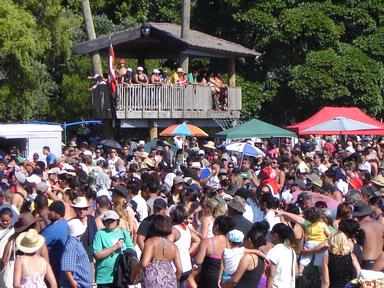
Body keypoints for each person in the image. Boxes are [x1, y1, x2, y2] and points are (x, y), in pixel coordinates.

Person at [131, 214, 182, 287]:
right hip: (170, 280)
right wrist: (173, 279)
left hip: (154, 280)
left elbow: (144, 263)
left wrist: (135, 270)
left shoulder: (151, 242)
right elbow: (180, 270)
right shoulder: (173, 246)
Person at [93, 210, 134, 287]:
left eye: (112, 220)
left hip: (121, 275)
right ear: (104, 222)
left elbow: (131, 249)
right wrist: (114, 248)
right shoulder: (99, 234)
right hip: (104, 277)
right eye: (107, 220)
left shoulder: (122, 231)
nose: (110, 222)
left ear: (117, 221)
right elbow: (97, 255)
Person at [222, 222, 269, 288]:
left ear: (249, 241)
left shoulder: (248, 258)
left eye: (246, 240)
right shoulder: (261, 258)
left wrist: (222, 286)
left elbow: (234, 281)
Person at [193, 215, 235, 288]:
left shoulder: (207, 242)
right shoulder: (230, 245)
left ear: (216, 226)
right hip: (221, 280)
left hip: (206, 280)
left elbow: (198, 261)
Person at [41, 201, 68, 282]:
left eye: (51, 211)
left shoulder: (55, 228)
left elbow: (39, 241)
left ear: (57, 214)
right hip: (62, 265)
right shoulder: (66, 223)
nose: (48, 213)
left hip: (54, 265)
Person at [266, 223, 298, 288]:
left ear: (276, 235)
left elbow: (271, 274)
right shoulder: (291, 251)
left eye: (271, 234)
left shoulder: (274, 250)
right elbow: (296, 273)